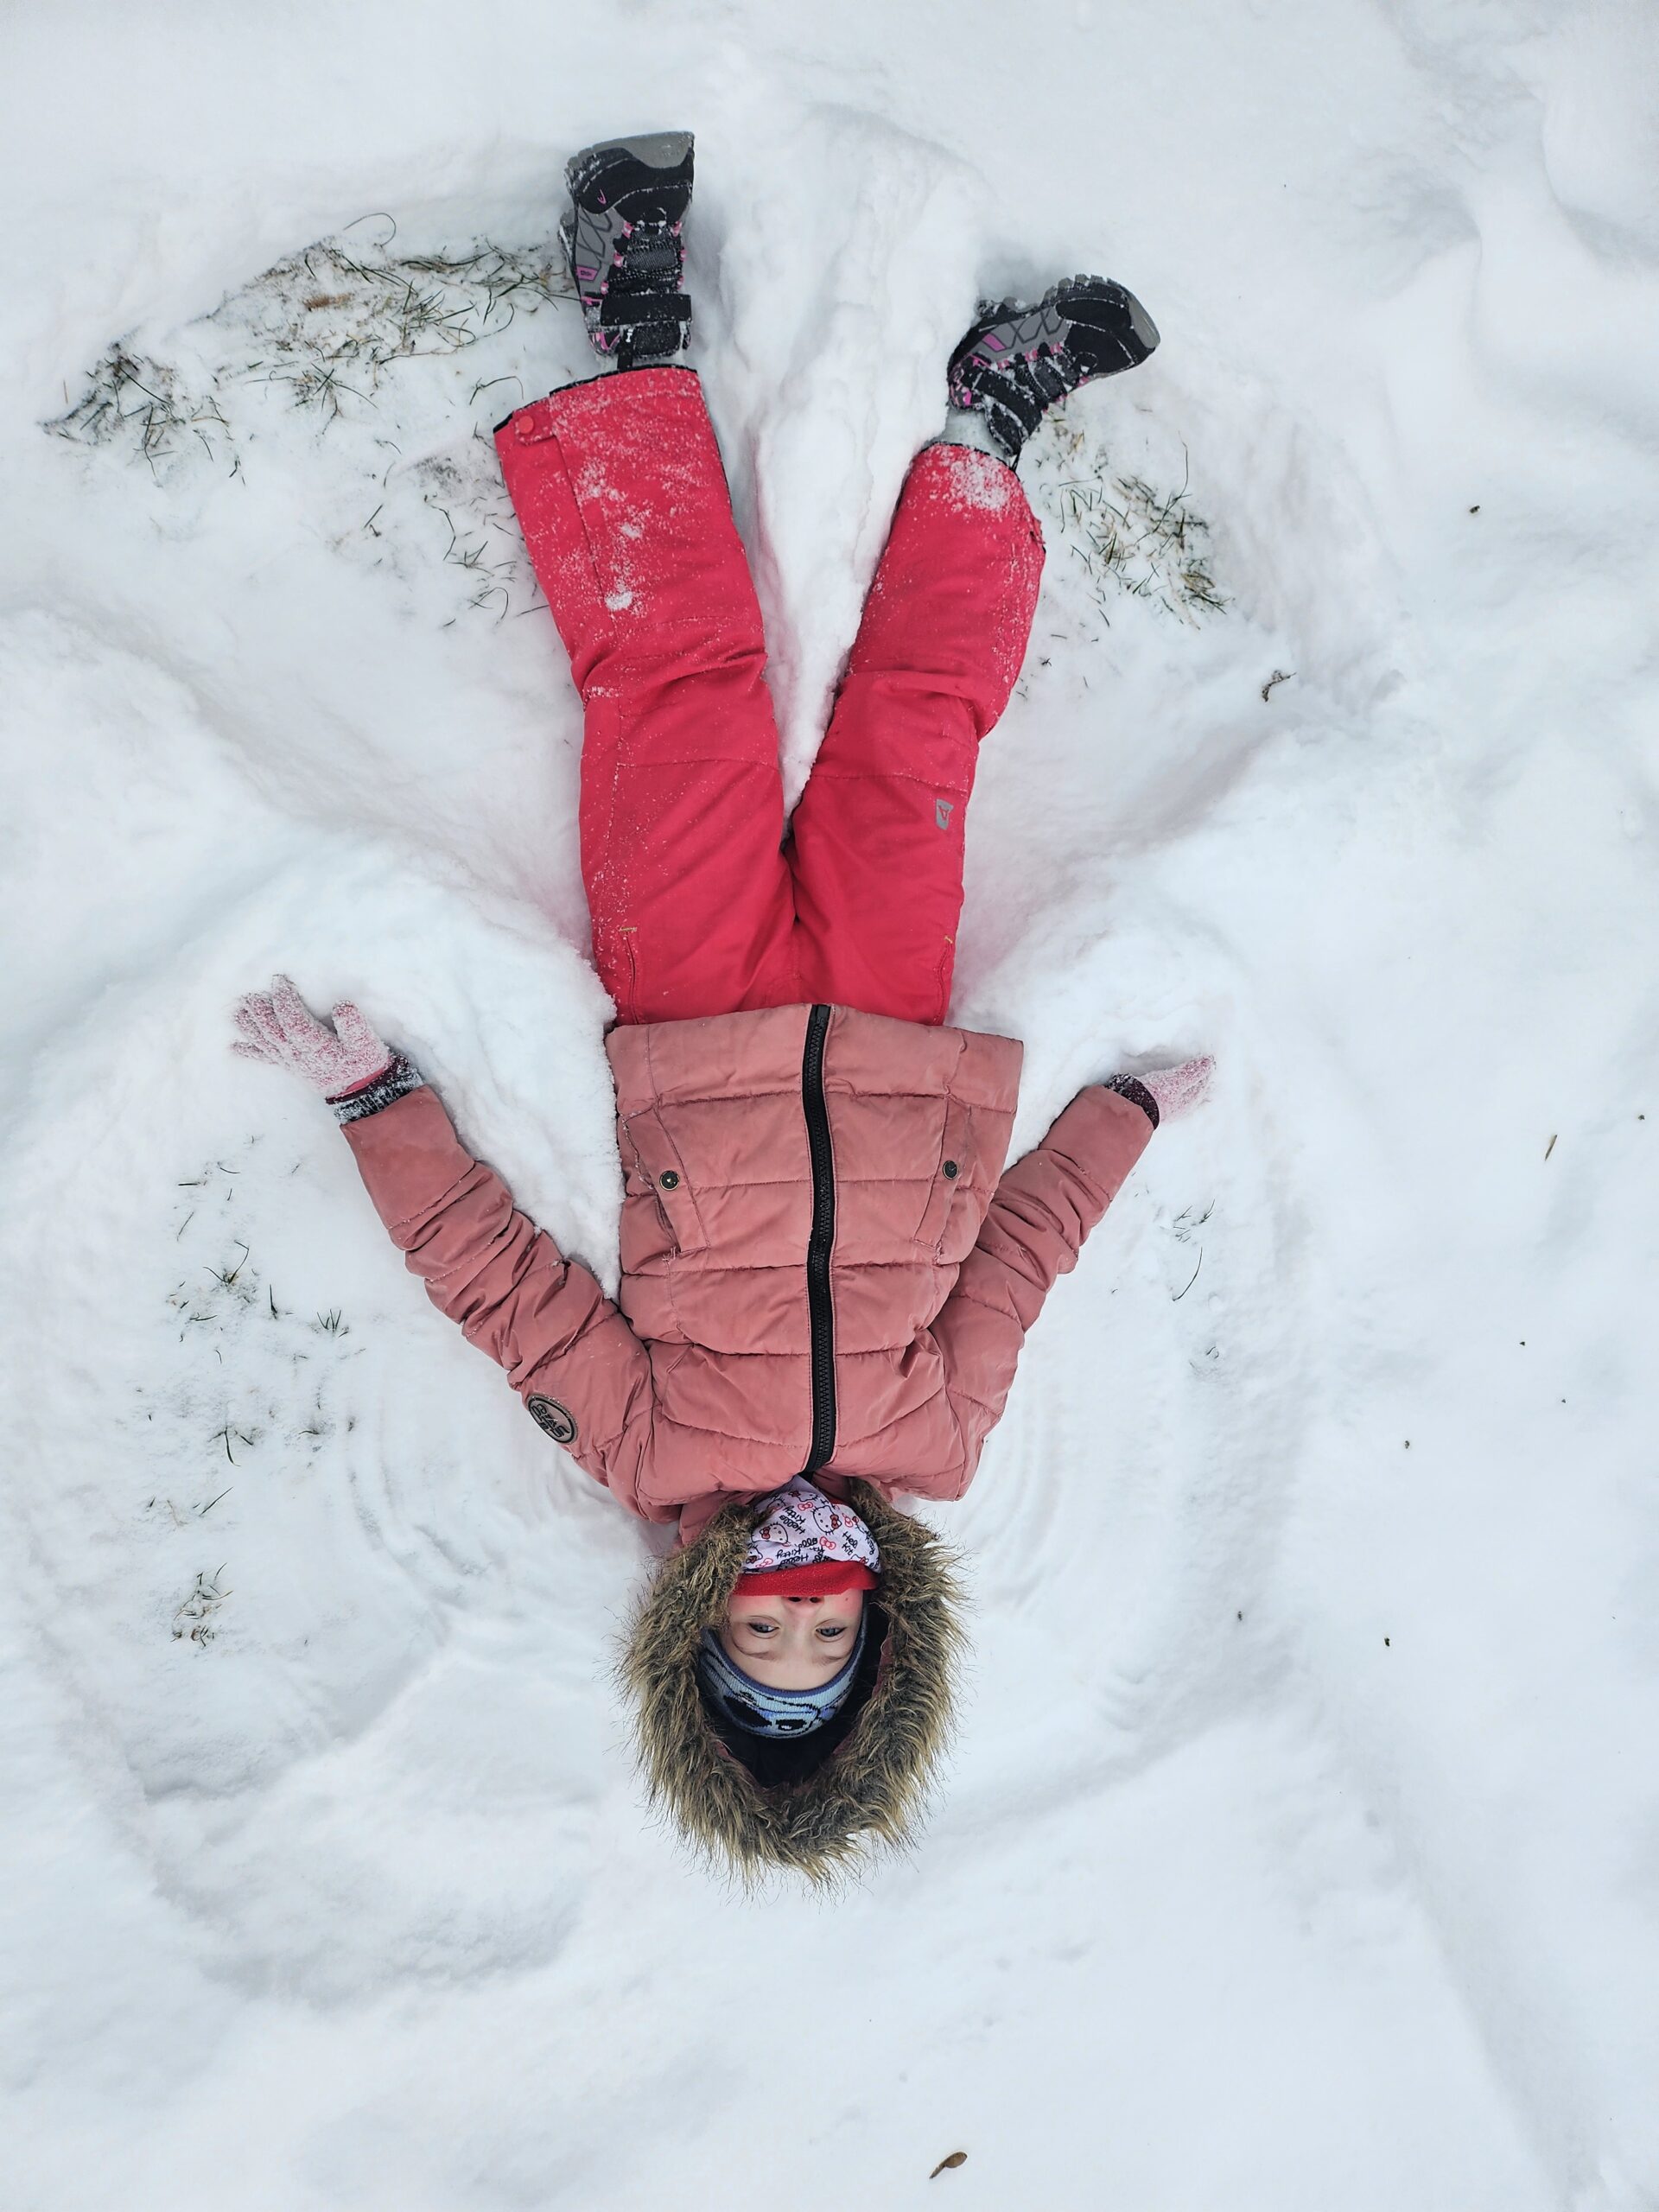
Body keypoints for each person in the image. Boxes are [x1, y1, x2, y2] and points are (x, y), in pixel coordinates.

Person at [233, 132, 1211, 1880]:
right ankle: (990, 422)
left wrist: (376, 1100)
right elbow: (1022, 1260)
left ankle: (632, 325)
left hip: (690, 1017)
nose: (794, 1603)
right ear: (880, 1629)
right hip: (898, 1029)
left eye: (761, 1634)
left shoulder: (651, 1447)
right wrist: (1123, 1120)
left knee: (673, 689)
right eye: (824, 1637)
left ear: (700, 1620)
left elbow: (501, 1288)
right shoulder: (940, 1442)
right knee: (922, 728)